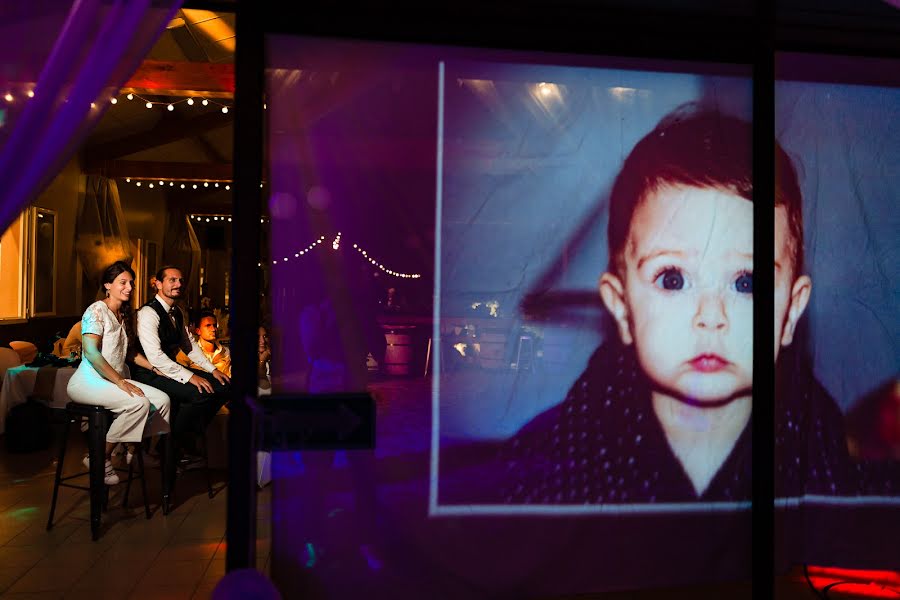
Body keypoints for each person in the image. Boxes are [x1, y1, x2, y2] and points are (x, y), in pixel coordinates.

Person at [501, 104, 859, 504]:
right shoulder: (557, 455)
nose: (711, 316)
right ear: (621, 307)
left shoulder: (816, 447)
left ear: (791, 312)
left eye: (747, 282)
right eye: (673, 279)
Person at [66, 261, 171, 485]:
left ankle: (134, 445)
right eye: (122, 282)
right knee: (138, 404)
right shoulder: (96, 310)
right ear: (107, 285)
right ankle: (98, 456)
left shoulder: (124, 314)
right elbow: (92, 354)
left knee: (163, 401)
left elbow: (128, 354)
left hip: (114, 381)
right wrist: (121, 382)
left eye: (131, 282)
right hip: (89, 381)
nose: (129, 287)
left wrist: (154, 368)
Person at [130, 266, 230, 456]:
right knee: (200, 393)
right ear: (158, 284)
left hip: (170, 370)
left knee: (224, 385)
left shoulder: (177, 311)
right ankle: (174, 444)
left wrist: (212, 370)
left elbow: (189, 345)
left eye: (181, 280)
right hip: (149, 373)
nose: (178, 284)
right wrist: (191, 376)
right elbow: (156, 357)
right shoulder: (148, 313)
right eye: (172, 280)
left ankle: (183, 437)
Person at [178, 310, 232, 378]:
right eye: (208, 325)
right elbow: (179, 373)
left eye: (214, 325)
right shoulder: (187, 352)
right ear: (198, 331)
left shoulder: (226, 352)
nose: (213, 329)